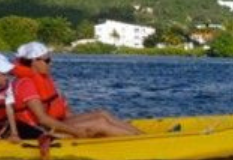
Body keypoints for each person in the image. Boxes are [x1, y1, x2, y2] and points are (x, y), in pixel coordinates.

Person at [11, 41, 143, 138]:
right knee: (100, 123)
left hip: (56, 123)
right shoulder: (26, 84)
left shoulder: (42, 79)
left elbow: (63, 112)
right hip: (43, 131)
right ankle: (141, 142)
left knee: (101, 114)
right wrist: (76, 131)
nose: (51, 63)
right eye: (47, 60)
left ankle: (142, 136)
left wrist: (81, 121)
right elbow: (42, 119)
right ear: (34, 61)